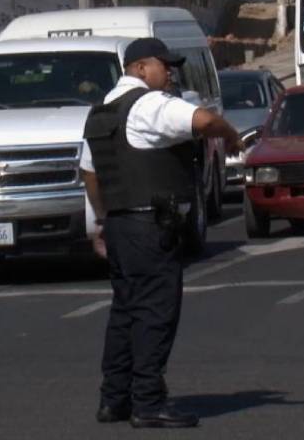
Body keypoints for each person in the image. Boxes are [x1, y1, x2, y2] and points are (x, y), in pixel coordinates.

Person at [80, 38, 243, 429]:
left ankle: (114, 399)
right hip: (150, 227)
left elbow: (90, 173)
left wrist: (101, 220)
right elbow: (203, 121)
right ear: (139, 68)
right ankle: (148, 402)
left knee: (124, 313)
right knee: (156, 313)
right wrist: (231, 134)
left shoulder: (102, 112)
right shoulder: (149, 104)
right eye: (163, 65)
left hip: (120, 224)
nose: (170, 73)